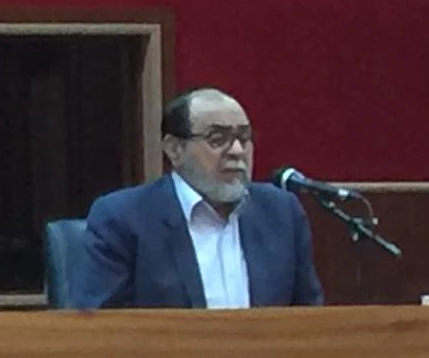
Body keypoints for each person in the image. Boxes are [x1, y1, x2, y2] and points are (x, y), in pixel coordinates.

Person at [71, 87, 324, 309]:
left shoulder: (281, 212)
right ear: (175, 150)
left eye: (244, 138)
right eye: (218, 139)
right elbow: (104, 326)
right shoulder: (124, 218)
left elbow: (309, 316)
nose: (237, 151)